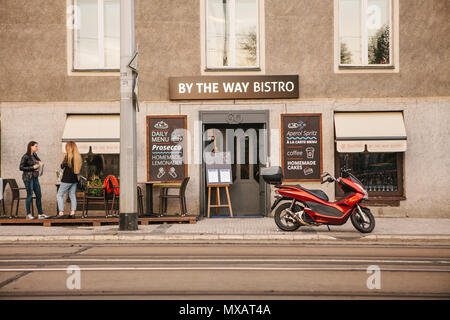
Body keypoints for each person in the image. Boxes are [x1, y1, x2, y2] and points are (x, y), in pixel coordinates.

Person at [19, 141, 49, 219]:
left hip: (35, 177)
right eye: (36, 146)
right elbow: (21, 167)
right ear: (31, 147)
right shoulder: (25, 156)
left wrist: (40, 164)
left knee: (39, 195)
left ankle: (40, 214)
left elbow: (38, 163)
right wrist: (32, 167)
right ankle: (28, 214)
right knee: (29, 195)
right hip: (28, 178)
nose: (37, 148)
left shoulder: (35, 155)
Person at [56, 141, 82, 219]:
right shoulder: (77, 157)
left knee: (59, 195)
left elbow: (62, 166)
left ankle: (61, 212)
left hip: (66, 179)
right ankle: (72, 213)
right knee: (72, 195)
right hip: (74, 179)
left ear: (69, 148)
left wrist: (64, 157)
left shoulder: (68, 157)